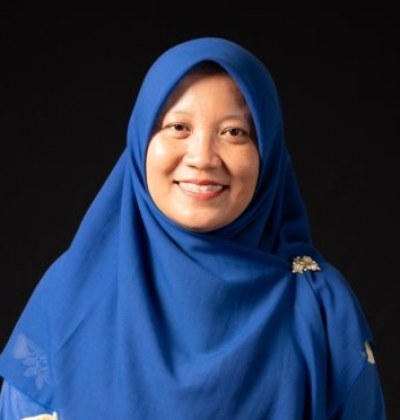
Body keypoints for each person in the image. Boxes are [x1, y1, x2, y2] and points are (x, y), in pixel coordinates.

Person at [0, 37, 387, 420]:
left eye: (234, 132)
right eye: (178, 126)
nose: (202, 158)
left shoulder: (321, 307)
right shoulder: (70, 292)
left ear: (267, 153)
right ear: (141, 141)